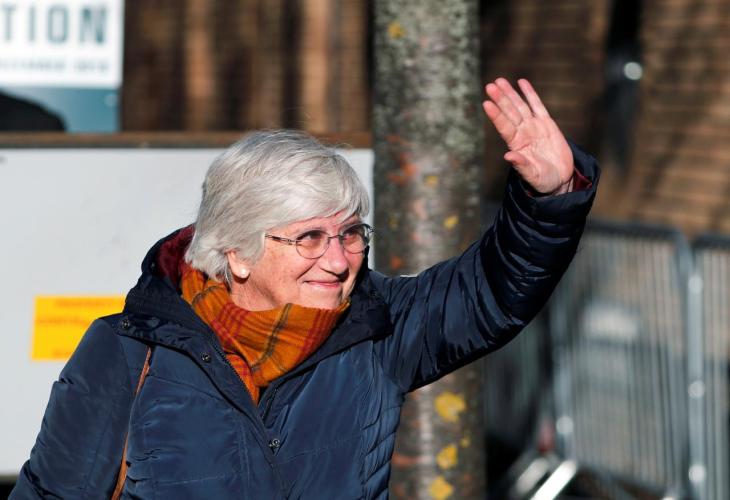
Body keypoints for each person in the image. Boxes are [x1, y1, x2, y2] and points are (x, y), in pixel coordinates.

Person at [11, 78, 598, 499]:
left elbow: (489, 293)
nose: (338, 260)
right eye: (310, 238)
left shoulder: (374, 326)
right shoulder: (128, 351)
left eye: (350, 233)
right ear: (237, 252)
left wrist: (549, 198)